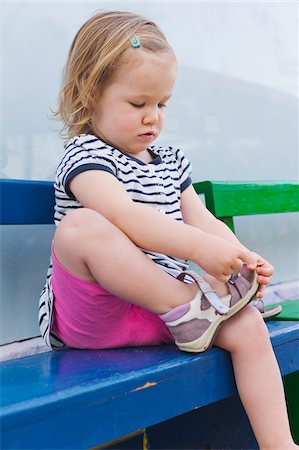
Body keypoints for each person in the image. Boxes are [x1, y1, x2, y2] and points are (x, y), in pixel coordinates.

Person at [39, 11, 297, 449]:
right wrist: (199, 252)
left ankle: (280, 444)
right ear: (90, 93)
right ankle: (189, 307)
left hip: (169, 316)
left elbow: (202, 221)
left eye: (162, 104)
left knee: (249, 327)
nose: (152, 118)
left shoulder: (171, 161)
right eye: (138, 104)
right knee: (82, 227)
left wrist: (240, 257)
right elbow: (127, 217)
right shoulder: (85, 155)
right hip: (95, 314)